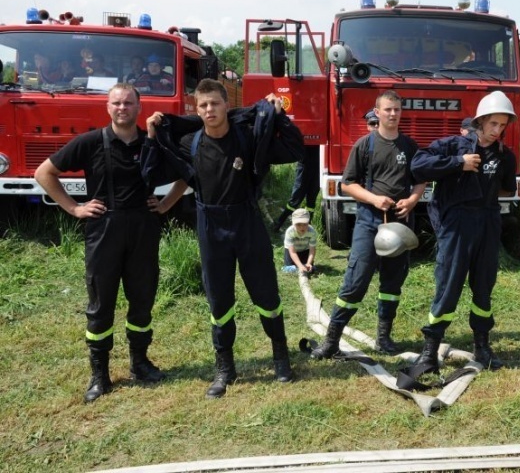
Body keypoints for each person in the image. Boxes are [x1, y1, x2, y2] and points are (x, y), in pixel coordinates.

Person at [143, 79, 304, 398]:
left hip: (247, 222)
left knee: (267, 296)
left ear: (225, 105)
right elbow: (152, 171)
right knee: (219, 302)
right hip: (210, 225)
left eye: (214, 103)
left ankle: (281, 359)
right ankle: (225, 368)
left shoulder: (248, 136)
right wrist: (151, 134)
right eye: (203, 105)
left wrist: (279, 113)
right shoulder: (190, 142)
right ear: (197, 109)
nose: (209, 110)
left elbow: (295, 147)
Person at [34, 83, 187, 403]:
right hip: (103, 231)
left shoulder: (152, 145)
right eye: (116, 103)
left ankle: (140, 364)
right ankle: (99, 375)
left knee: (142, 299)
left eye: (128, 103)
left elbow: (187, 173)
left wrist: (166, 204)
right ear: (108, 107)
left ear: (138, 107)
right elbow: (44, 172)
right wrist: (75, 207)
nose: (122, 108)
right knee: (101, 305)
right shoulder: (90, 142)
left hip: (143, 229)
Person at [311, 91, 425, 358]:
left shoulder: (409, 147)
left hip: (399, 225)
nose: (393, 114)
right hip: (369, 222)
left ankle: (383, 339)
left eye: (397, 109)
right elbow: (347, 184)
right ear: (377, 111)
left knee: (392, 284)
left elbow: (422, 179)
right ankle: (331, 341)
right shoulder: (365, 145)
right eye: (387, 109)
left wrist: (412, 200)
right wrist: (374, 199)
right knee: (356, 281)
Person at [409, 90, 517, 372]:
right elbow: (418, 165)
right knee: (449, 285)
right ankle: (429, 351)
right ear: (480, 121)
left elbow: (507, 188)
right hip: (456, 224)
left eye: (503, 125)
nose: (498, 131)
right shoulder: (454, 145)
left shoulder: (505, 155)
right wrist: (459, 164)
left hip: (488, 222)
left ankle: (482, 347)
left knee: (484, 286)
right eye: (493, 124)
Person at [283, 208, 317, 275]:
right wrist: (300, 266)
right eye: (298, 224)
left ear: (308, 222)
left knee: (310, 269)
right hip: (292, 251)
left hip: (305, 250)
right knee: (289, 268)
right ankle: (295, 267)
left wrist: (309, 263)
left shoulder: (312, 231)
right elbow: (292, 252)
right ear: (293, 223)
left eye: (305, 224)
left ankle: (303, 266)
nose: (302, 227)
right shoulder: (290, 232)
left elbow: (312, 250)